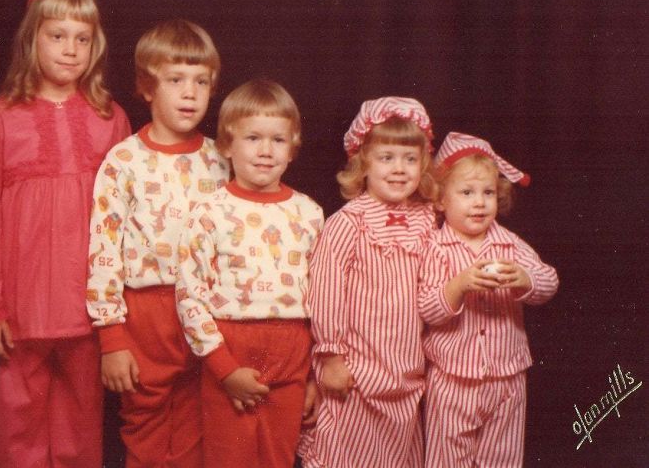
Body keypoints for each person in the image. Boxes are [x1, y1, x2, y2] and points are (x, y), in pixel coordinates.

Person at [0, 0, 131, 467]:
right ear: (31, 37)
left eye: (82, 39)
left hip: (87, 309)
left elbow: (123, 218)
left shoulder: (110, 117)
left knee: (82, 425)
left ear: (95, 46)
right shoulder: (1, 117)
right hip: (20, 309)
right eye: (57, 36)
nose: (70, 49)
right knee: (18, 425)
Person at [86, 18, 228, 467]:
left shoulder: (220, 157)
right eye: (175, 80)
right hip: (146, 314)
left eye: (201, 81)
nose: (190, 93)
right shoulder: (124, 160)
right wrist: (112, 338)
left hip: (205, 314)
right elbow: (103, 247)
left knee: (194, 425)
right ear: (147, 87)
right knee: (145, 425)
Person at [176, 78, 324, 468]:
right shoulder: (209, 211)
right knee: (229, 459)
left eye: (277, 140)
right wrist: (224, 370)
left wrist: (311, 376)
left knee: (277, 459)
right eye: (253, 138)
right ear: (227, 144)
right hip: (231, 349)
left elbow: (324, 299)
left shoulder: (309, 213)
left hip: (292, 354)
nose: (265, 151)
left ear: (292, 147)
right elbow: (190, 297)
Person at [300, 97, 437, 468]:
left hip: (407, 371)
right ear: (363, 164)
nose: (399, 169)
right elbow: (325, 293)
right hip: (357, 373)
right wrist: (330, 356)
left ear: (423, 164)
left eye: (410, 159)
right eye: (386, 157)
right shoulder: (349, 222)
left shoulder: (427, 219)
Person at [417, 131, 559, 467]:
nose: (479, 202)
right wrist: (459, 285)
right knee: (446, 459)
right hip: (452, 380)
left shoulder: (509, 244)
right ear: (439, 199)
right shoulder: (435, 249)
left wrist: (526, 280)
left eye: (488, 192)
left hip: (507, 379)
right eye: (466, 192)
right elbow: (427, 308)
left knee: (503, 459)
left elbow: (549, 280)